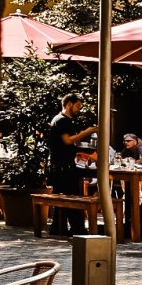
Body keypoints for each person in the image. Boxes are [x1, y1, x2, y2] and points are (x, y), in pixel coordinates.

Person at [46, 93, 97, 235]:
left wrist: (76, 152)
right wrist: (86, 132)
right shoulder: (62, 120)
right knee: (73, 197)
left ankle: (56, 227)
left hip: (59, 164)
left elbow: (63, 145)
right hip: (63, 166)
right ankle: (78, 229)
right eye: (77, 106)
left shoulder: (59, 119)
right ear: (68, 104)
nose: (79, 109)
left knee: (62, 196)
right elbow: (67, 140)